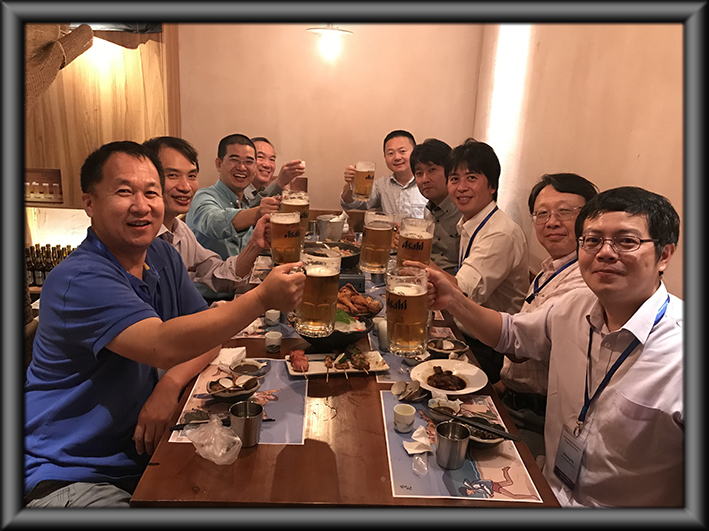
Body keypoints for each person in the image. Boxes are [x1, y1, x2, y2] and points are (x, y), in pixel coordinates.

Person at [24, 141, 305, 507]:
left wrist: (168, 385)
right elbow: (163, 345)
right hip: (70, 474)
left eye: (151, 192)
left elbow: (207, 335)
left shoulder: (161, 255)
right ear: (90, 203)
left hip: (145, 456)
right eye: (124, 192)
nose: (141, 205)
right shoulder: (79, 279)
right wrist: (261, 299)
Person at [425, 186, 682, 507]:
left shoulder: (681, 352)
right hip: (548, 490)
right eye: (592, 240)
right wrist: (453, 300)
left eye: (626, 241)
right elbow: (511, 334)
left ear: (664, 255)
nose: (605, 252)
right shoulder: (575, 306)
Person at [493, 173, 598, 459]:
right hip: (514, 401)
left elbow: (518, 346)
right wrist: (499, 388)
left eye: (565, 212)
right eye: (542, 213)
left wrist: (453, 300)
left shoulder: (584, 281)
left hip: (541, 421)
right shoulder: (549, 269)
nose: (551, 222)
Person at [428, 139, 529, 383]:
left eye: (471, 178)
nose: (461, 187)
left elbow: (463, 292)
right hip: (468, 333)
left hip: (491, 349)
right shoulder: (471, 223)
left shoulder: (500, 233)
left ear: (492, 185)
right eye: (454, 179)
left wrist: (416, 257)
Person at [143, 136, 268, 299]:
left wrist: (256, 245)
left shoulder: (180, 230)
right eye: (173, 175)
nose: (185, 187)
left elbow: (217, 273)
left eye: (192, 176)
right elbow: (214, 222)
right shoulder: (139, 238)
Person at [186, 133, 280, 259]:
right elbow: (213, 223)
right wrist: (258, 212)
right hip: (208, 272)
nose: (242, 167)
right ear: (219, 164)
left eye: (249, 162)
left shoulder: (243, 203)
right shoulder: (203, 196)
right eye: (234, 160)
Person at [340, 129, 428, 219]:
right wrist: (350, 184)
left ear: (414, 153)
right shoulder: (381, 186)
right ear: (385, 157)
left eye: (402, 151)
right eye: (390, 153)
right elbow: (352, 205)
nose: (397, 157)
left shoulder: (427, 183)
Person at [409, 138, 460, 274]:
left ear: (450, 172)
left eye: (432, 170)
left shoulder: (463, 210)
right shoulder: (429, 210)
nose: (425, 179)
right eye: (419, 173)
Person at [243, 136, 306, 207]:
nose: (267, 165)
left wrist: (285, 189)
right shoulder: (239, 188)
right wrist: (279, 182)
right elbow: (248, 210)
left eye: (272, 159)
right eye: (260, 157)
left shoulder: (263, 190)